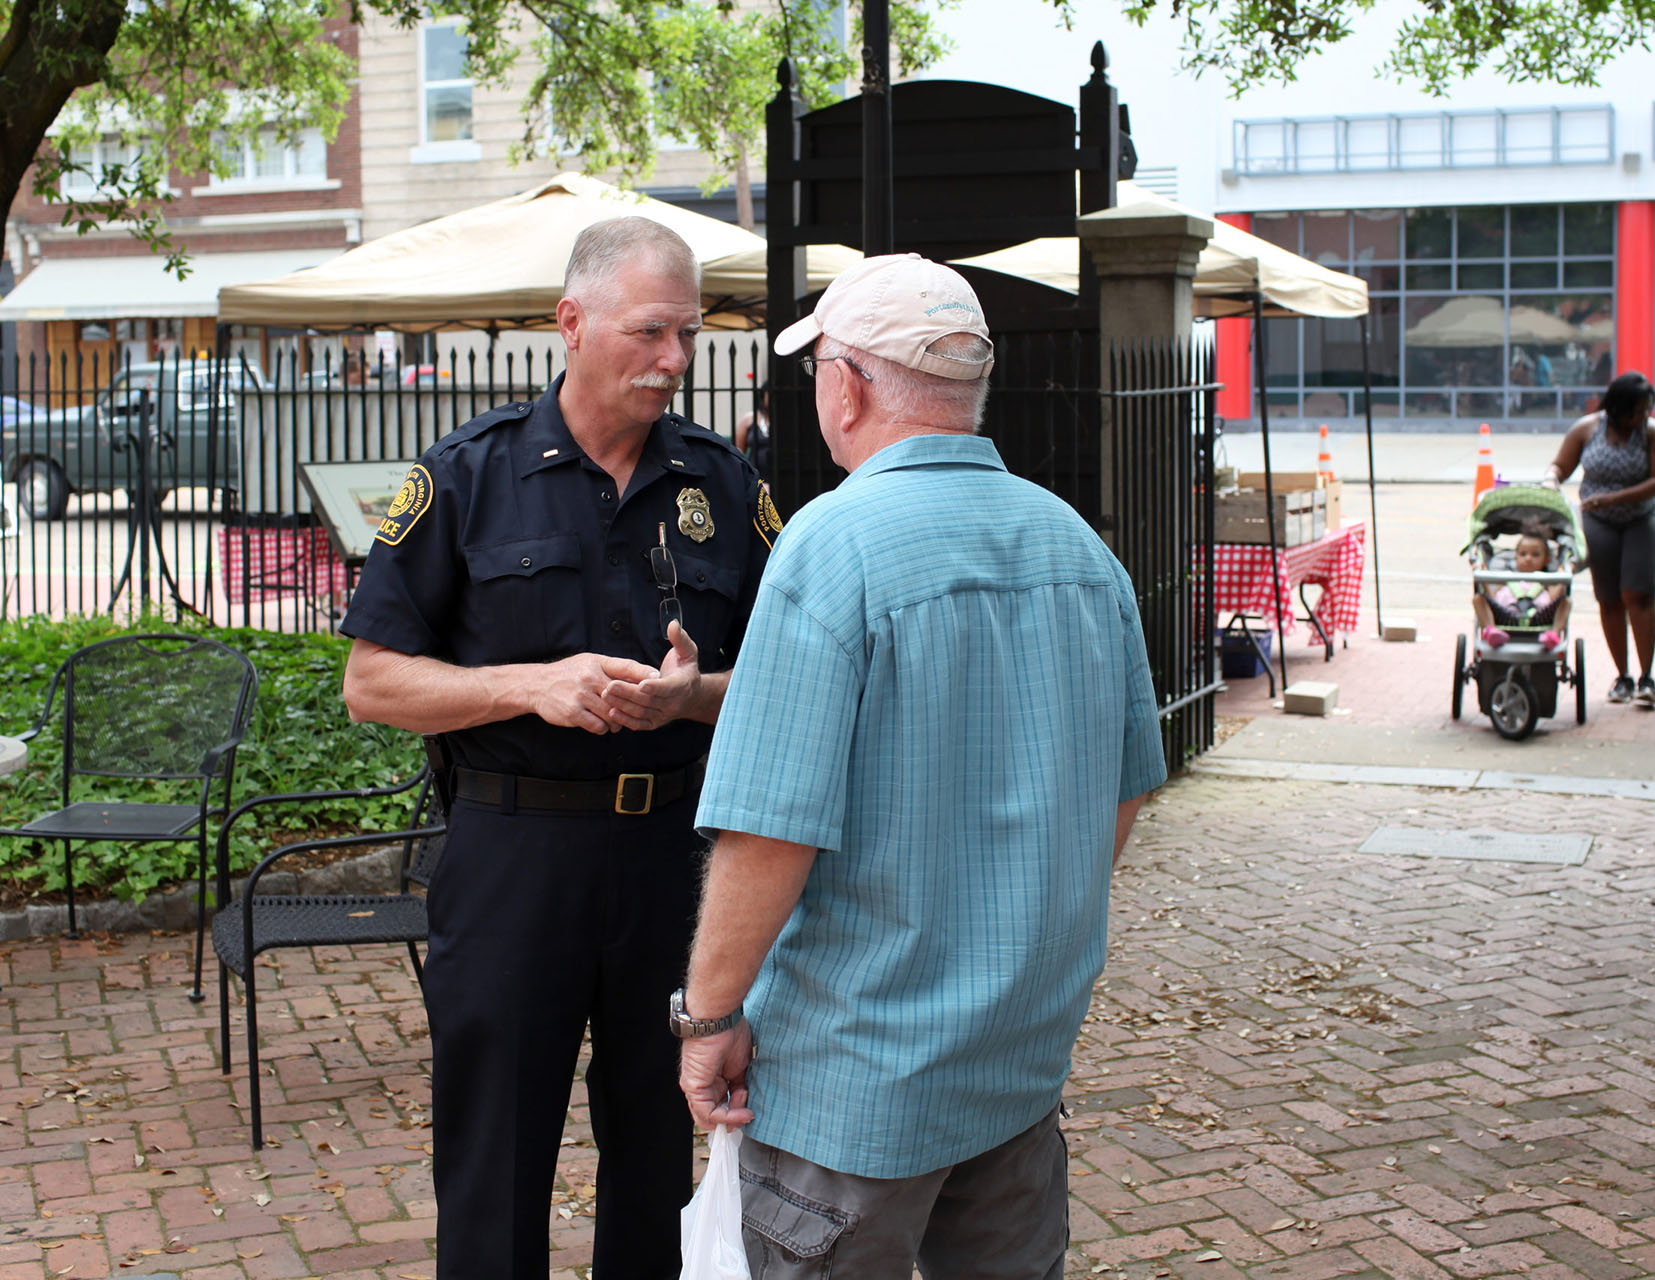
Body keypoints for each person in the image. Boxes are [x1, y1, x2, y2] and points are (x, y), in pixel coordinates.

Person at [673, 253, 1168, 1279]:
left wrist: (710, 1016)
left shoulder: (832, 546)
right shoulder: (1079, 547)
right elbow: (1121, 791)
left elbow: (770, 827)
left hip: (853, 1082)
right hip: (1018, 1058)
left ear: (847, 383)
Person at [337, 216, 778, 1280]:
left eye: (690, 332)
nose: (675, 359)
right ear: (570, 324)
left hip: (675, 857)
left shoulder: (725, 487)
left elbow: (787, 691)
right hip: (510, 855)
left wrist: (693, 696)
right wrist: (529, 683)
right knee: (492, 1156)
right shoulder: (466, 477)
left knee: (657, 1153)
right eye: (650, 332)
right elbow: (371, 682)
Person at [1546, 370, 1655, 708]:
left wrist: (1615, 498)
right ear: (1616, 408)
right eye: (1635, 411)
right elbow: (1561, 466)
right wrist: (1551, 481)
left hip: (1642, 518)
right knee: (1610, 598)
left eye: (1646, 410)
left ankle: (1647, 677)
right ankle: (1623, 676)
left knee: (1639, 594)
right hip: (1598, 520)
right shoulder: (1588, 429)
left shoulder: (1653, 434)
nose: (1640, 417)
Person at [1473, 522, 1569, 650]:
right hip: (1507, 616)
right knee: (1478, 598)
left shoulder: (1546, 581)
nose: (1528, 559)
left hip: (1538, 617)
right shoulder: (1507, 578)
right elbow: (1493, 597)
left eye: (1535, 555)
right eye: (1523, 554)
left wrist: (1562, 573)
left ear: (1546, 559)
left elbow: (1554, 596)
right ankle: (1491, 631)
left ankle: (1554, 634)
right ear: (1516, 557)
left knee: (1566, 601)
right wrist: (1483, 575)